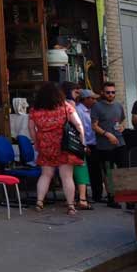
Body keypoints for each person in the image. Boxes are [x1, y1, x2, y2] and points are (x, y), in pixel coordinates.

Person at [28, 82, 87, 216]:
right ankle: (71, 206)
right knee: (66, 177)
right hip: (64, 145)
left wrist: (36, 142)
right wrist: (81, 142)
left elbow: (31, 128)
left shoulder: (34, 110)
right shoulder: (65, 107)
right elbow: (78, 125)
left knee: (45, 175)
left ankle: (39, 202)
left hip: (45, 145)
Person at [90, 80, 126, 208]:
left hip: (120, 142)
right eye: (108, 92)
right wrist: (107, 134)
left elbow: (121, 121)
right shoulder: (97, 107)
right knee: (108, 171)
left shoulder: (118, 105)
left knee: (123, 169)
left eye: (113, 92)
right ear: (102, 93)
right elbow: (94, 126)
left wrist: (122, 127)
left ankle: (127, 197)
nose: (111, 94)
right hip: (104, 145)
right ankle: (112, 197)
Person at [73, 88, 99, 210]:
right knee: (85, 170)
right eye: (92, 98)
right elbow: (81, 128)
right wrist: (84, 145)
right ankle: (83, 196)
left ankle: (95, 194)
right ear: (85, 99)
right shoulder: (79, 111)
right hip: (86, 144)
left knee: (94, 170)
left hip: (94, 142)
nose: (94, 101)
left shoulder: (91, 110)